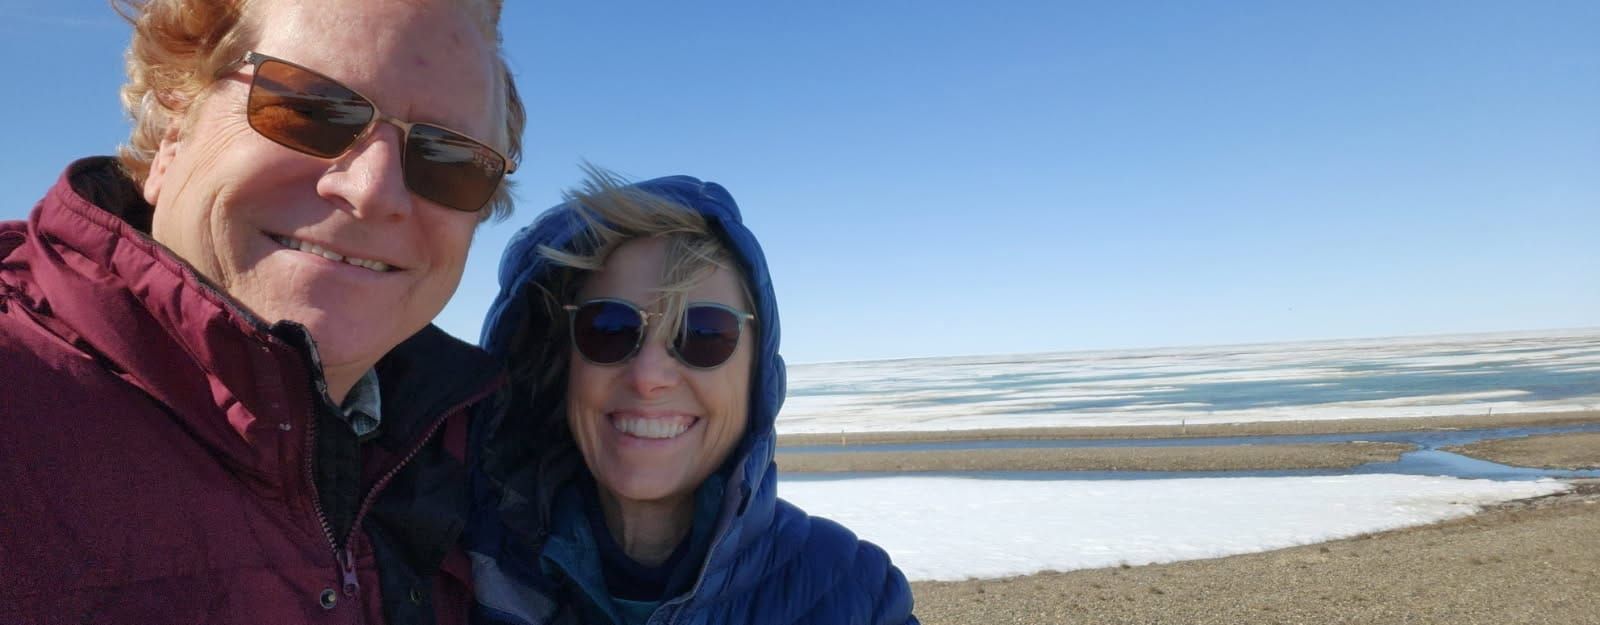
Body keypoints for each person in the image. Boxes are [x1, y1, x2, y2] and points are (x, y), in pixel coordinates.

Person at [0, 0, 523, 622]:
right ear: (172, 132)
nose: (372, 191)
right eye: (309, 110)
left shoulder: (471, 459)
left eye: (450, 159)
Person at [465, 169, 918, 624]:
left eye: (704, 333)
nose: (648, 377)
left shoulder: (853, 592)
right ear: (562, 362)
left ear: (756, 374)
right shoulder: (455, 572)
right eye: (608, 328)